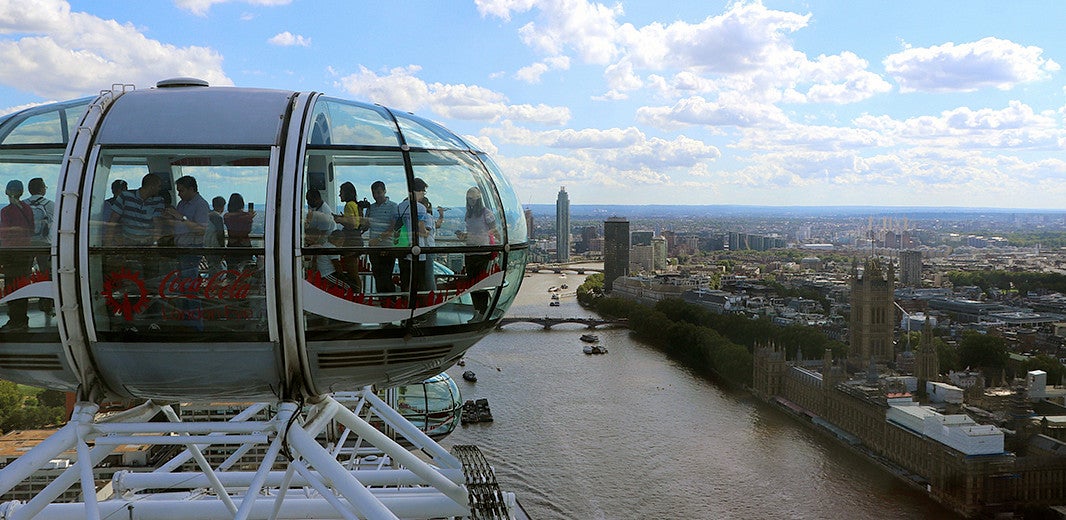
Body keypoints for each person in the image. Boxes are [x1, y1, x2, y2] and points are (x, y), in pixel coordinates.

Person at [456, 186, 498, 322]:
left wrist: (480, 235)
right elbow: (472, 231)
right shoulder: (468, 214)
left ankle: (482, 311)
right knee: (472, 283)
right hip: (470, 251)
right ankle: (477, 311)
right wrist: (464, 235)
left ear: (479, 198)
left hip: (483, 251)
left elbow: (494, 229)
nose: (471, 201)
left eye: (474, 198)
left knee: (481, 283)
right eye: (469, 198)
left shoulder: (487, 213)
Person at [0, 180, 34, 332]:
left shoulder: (6, 211)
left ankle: (15, 320)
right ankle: (22, 319)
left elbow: (5, 232)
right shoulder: (27, 209)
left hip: (11, 254)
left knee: (11, 287)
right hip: (25, 253)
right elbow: (31, 229)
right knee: (21, 285)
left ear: (7, 192)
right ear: (21, 193)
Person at [24, 177, 55, 315]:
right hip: (45, 244)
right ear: (42, 189)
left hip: (27, 244)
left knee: (25, 273)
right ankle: (47, 303)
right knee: (46, 274)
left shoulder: (22, 205)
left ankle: (22, 303)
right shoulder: (51, 205)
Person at [394, 178, 430, 293]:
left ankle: (405, 302)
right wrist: (426, 232)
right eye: (423, 192)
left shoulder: (400, 207)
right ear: (417, 191)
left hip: (403, 247)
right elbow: (422, 231)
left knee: (405, 280)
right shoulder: (420, 208)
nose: (423, 195)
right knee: (419, 282)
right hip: (417, 249)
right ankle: (419, 307)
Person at [108, 173, 164, 246]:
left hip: (147, 244)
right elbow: (113, 220)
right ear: (152, 187)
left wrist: (154, 245)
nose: (160, 189)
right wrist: (108, 243)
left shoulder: (159, 200)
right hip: (126, 243)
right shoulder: (125, 196)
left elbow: (157, 225)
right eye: (159, 186)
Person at [364, 180, 399, 294]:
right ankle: (382, 301)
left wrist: (377, 240)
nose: (376, 196)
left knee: (386, 276)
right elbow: (366, 225)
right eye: (374, 193)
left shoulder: (393, 206)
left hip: (387, 246)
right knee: (377, 276)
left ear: (384, 191)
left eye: (379, 192)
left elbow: (392, 228)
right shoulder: (371, 208)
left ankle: (390, 302)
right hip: (374, 247)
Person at [333, 181, 364, 291]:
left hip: (351, 241)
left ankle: (357, 294)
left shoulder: (348, 205)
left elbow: (351, 224)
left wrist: (339, 220)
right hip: (356, 240)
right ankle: (358, 294)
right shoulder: (355, 205)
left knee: (352, 272)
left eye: (341, 192)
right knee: (353, 271)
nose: (340, 195)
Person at [223, 193, 255, 270]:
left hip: (232, 245)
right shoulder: (246, 217)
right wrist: (248, 216)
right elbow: (247, 230)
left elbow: (228, 217)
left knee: (232, 270)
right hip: (245, 245)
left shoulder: (227, 216)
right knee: (246, 271)